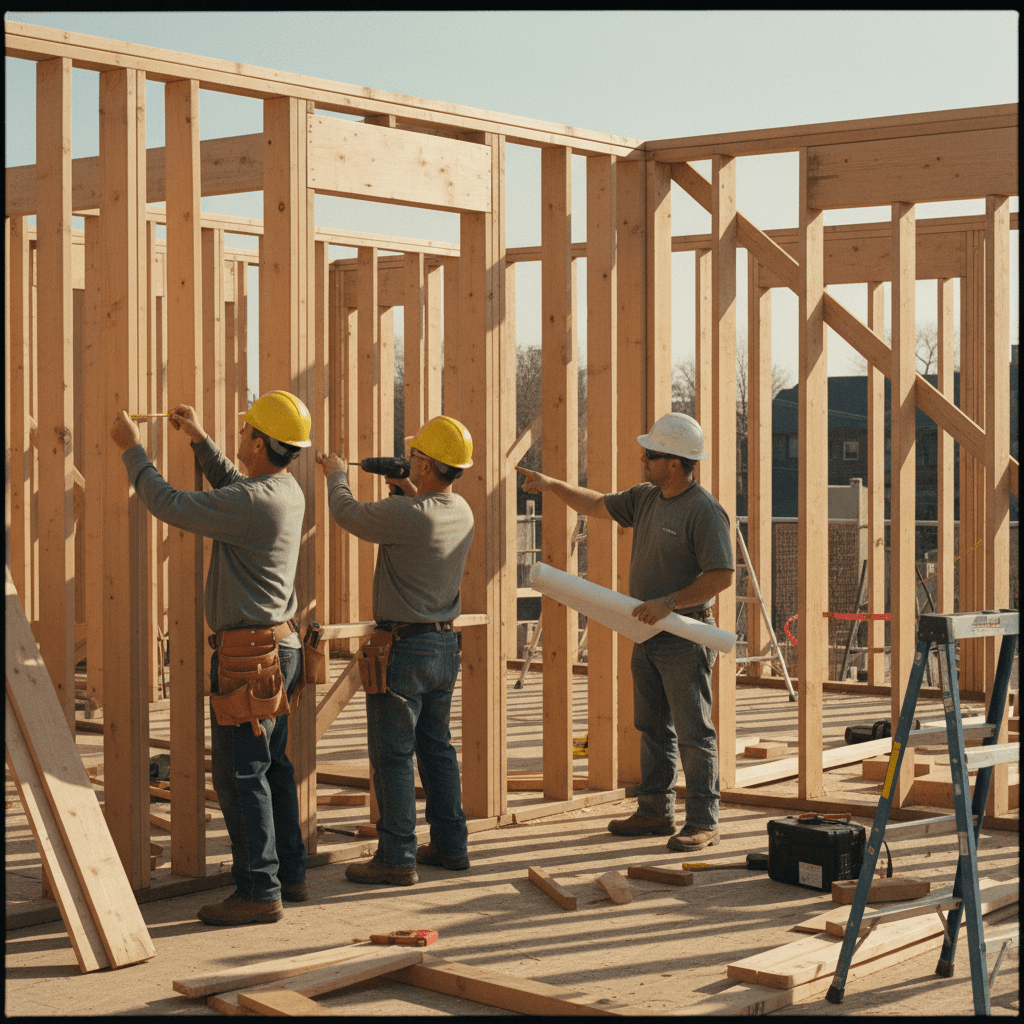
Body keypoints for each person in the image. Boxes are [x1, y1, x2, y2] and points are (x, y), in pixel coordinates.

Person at [110, 389, 312, 924]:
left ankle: (257, 891)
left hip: (249, 658)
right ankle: (288, 874)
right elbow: (235, 486)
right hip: (279, 648)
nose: (241, 436)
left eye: (247, 432)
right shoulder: (285, 490)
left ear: (263, 442)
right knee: (271, 769)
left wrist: (134, 450)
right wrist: (200, 441)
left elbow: (169, 503)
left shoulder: (255, 502)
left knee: (239, 776)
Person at [517, 412, 734, 852]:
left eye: (650, 455)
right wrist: (551, 485)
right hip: (647, 635)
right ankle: (655, 810)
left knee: (694, 730)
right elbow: (597, 505)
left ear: (675, 463)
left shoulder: (704, 511)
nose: (643, 459)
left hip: (684, 636)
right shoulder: (646, 497)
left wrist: (669, 602)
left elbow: (722, 575)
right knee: (651, 725)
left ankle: (704, 821)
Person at [316, 415, 475, 887]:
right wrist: (409, 486)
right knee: (437, 749)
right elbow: (423, 509)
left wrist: (335, 475)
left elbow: (349, 514)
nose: (407, 462)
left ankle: (396, 857)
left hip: (404, 649)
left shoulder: (409, 516)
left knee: (392, 754)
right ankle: (450, 845)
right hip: (444, 646)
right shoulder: (459, 510)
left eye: (413, 458)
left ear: (426, 465)